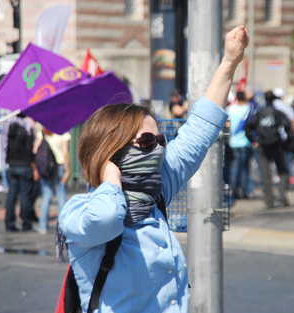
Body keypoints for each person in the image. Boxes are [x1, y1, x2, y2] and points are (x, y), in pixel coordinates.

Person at [58, 26, 248, 313]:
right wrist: (109, 176)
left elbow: (199, 130)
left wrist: (229, 62)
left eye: (160, 140)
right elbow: (107, 218)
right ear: (112, 150)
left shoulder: (155, 193)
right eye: (147, 141)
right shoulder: (79, 211)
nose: (159, 149)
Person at [245, 90, 291, 208]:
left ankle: (269, 200)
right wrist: (287, 141)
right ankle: (282, 197)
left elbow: (248, 127)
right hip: (277, 144)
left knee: (266, 174)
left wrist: (253, 141)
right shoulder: (278, 113)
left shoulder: (259, 113)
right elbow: (288, 126)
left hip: (263, 145)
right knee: (282, 171)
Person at [3, 113, 39, 232]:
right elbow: (31, 150)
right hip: (25, 166)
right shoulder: (28, 129)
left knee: (11, 196)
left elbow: (4, 146)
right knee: (25, 197)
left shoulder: (9, 127)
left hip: (12, 165)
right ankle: (26, 224)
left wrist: (7, 159)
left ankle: (9, 224)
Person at [34, 126, 71, 235]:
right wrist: (68, 170)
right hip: (60, 165)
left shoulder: (44, 130)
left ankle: (43, 226)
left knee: (46, 195)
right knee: (62, 195)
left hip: (47, 166)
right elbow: (65, 153)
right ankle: (63, 228)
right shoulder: (63, 130)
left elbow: (35, 150)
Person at [227, 91, 255, 200]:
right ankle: (246, 191)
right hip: (246, 142)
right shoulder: (249, 109)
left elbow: (227, 124)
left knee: (235, 167)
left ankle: (234, 190)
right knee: (245, 168)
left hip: (233, 142)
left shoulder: (231, 109)